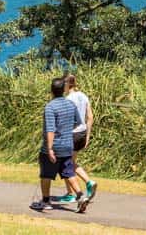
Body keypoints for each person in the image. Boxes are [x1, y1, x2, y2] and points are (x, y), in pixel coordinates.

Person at [30, 77, 85, 212]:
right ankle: (80, 196)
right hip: (67, 146)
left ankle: (46, 201)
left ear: (52, 91)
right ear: (63, 90)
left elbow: (50, 129)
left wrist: (49, 149)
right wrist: (66, 128)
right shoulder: (70, 105)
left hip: (53, 147)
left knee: (46, 175)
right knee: (69, 173)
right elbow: (79, 122)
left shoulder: (50, 107)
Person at [52, 74, 97, 206]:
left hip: (71, 134)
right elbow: (90, 117)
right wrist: (87, 136)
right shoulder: (83, 96)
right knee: (70, 162)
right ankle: (86, 184)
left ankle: (72, 193)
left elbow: (66, 119)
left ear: (67, 85)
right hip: (82, 133)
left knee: (65, 164)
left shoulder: (68, 99)